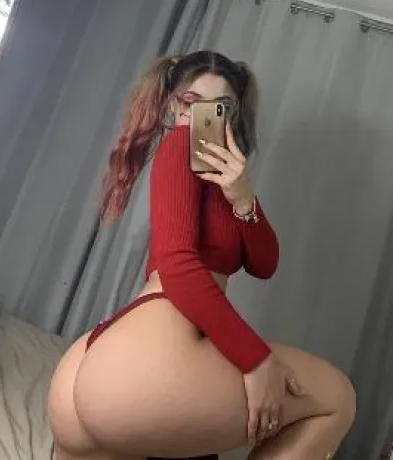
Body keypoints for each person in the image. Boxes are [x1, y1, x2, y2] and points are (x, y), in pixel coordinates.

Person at [48, 51, 356, 460]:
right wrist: (256, 359)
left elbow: (264, 264)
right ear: (174, 106)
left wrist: (243, 198)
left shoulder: (227, 184)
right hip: (150, 354)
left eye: (219, 107)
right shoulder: (179, 146)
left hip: (112, 360)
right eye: (192, 102)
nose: (201, 117)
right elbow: (177, 263)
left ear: (232, 116)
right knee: (336, 397)